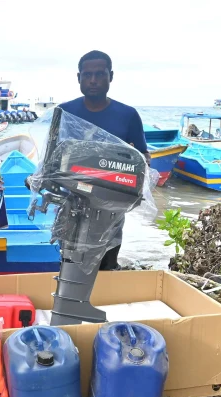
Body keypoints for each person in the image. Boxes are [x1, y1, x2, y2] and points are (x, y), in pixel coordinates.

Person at [59, 50, 151, 271]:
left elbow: (143, 157)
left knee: (107, 264)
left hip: (111, 206)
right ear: (78, 77)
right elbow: (53, 154)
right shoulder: (65, 112)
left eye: (100, 74)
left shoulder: (128, 115)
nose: (93, 80)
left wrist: (135, 171)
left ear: (111, 76)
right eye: (87, 75)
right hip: (72, 202)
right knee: (70, 263)